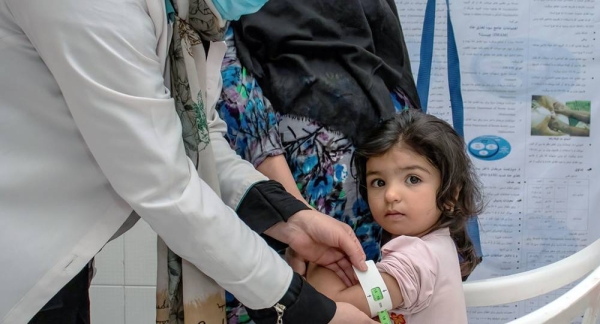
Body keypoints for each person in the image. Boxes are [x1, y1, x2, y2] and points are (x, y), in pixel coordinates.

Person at [0, 1, 379, 324]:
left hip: (56, 259)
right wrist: (302, 306)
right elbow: (165, 184)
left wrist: (290, 217)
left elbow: (198, 134)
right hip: (20, 249)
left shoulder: (191, 16)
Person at [307, 109, 484, 323]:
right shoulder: (437, 244)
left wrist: (317, 255)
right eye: (379, 182)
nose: (390, 194)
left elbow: (331, 309)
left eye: (412, 179)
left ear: (450, 195)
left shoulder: (415, 259)